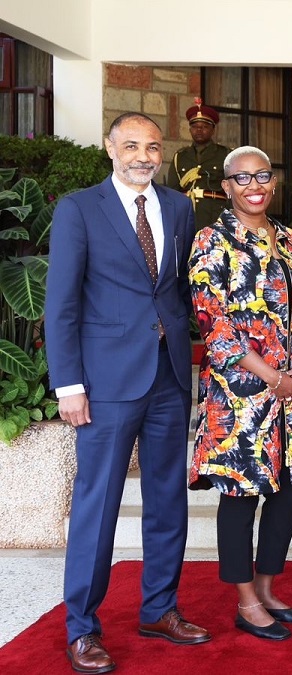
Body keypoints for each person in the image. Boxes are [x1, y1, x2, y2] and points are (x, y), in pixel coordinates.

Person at [46, 111, 210, 674]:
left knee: (169, 499)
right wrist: (69, 384)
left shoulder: (179, 207)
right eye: (133, 145)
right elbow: (62, 304)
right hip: (105, 382)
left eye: (153, 147)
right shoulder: (79, 209)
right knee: (98, 504)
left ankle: (160, 608)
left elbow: (178, 288)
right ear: (111, 148)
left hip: (167, 375)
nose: (144, 155)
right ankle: (82, 629)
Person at [189, 146, 292, 641]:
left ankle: (268, 588)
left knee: (289, 493)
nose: (254, 185)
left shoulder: (289, 239)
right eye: (242, 177)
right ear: (226, 187)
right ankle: (245, 601)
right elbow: (213, 323)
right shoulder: (212, 240)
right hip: (241, 397)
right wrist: (274, 377)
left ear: (274, 183)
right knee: (241, 496)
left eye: (263, 176)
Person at [165, 98, 232, 228]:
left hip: (215, 217)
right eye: (195, 127)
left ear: (213, 130)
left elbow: (233, 191)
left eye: (204, 127)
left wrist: (228, 219)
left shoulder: (225, 155)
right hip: (186, 216)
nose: (199, 130)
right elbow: (172, 192)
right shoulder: (180, 157)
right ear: (190, 130)